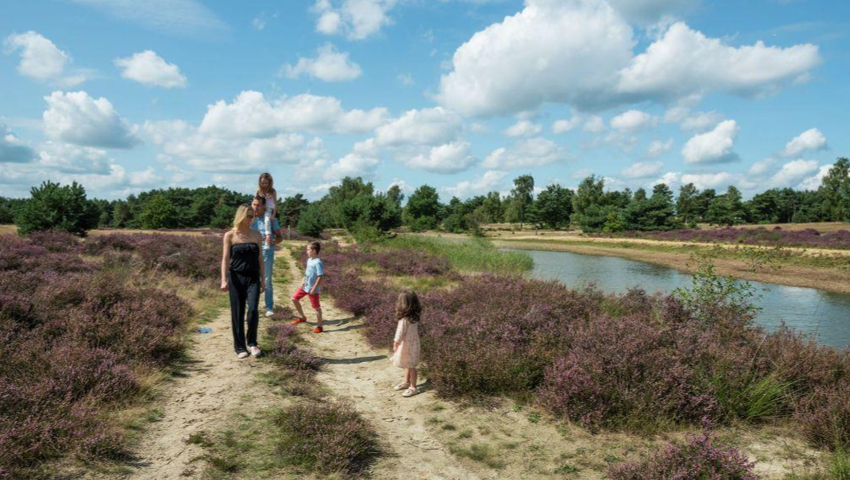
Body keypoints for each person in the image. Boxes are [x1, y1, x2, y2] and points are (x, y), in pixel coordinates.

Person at [220, 204, 265, 359]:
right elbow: (225, 259)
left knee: (253, 309)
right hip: (236, 278)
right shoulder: (230, 236)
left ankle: (252, 343)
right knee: (237, 313)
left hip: (253, 278)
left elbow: (260, 259)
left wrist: (263, 280)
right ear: (241, 216)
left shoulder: (257, 235)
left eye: (253, 216)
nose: (251, 219)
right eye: (249, 216)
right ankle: (240, 347)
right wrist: (224, 279)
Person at [250, 195, 279, 317]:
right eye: (254, 204)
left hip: (267, 253)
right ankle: (251, 307)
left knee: (266, 280)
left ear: (264, 206)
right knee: (251, 280)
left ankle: (268, 307)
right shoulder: (249, 219)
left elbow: (280, 237)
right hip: (251, 254)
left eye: (258, 205)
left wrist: (274, 241)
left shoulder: (272, 220)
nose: (255, 207)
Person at [392, 291, 422, 397]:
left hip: (406, 344)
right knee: (408, 364)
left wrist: (396, 342)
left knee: (411, 366)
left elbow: (400, 332)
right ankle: (406, 382)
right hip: (413, 343)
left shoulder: (404, 319)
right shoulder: (415, 317)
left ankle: (413, 387)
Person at [290, 241, 324, 333]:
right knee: (294, 298)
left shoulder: (318, 262)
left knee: (316, 308)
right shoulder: (309, 260)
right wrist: (303, 279)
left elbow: (320, 276)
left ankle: (320, 326)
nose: (307, 251)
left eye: (308, 249)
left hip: (313, 290)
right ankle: (303, 317)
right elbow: (307, 272)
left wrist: (313, 288)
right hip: (305, 286)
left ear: (314, 251)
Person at [256, 173, 280, 248]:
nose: (264, 185)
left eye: (266, 183)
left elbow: (275, 203)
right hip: (261, 207)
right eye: (262, 183)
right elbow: (255, 201)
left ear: (269, 183)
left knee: (267, 220)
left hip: (269, 208)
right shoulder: (258, 190)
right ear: (260, 182)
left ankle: (268, 237)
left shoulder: (272, 191)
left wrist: (273, 215)